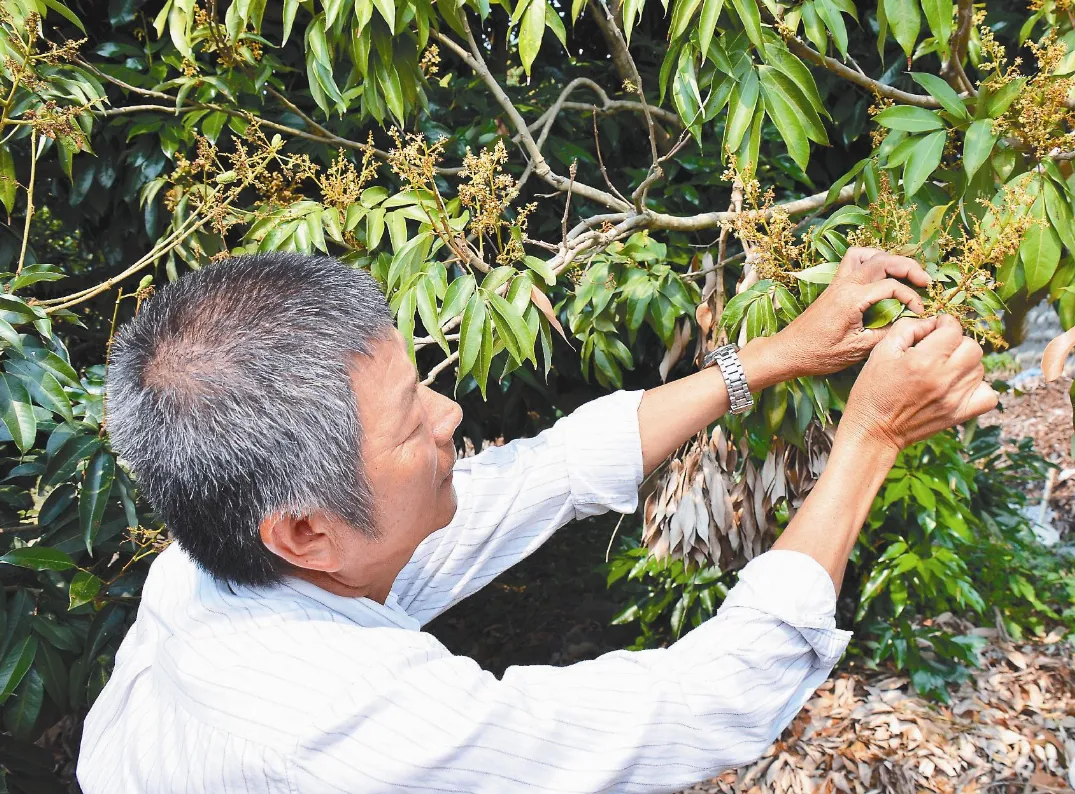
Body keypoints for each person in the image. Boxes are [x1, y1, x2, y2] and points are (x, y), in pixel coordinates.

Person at [77, 247, 996, 793]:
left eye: (419, 386)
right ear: (305, 531)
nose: (450, 417)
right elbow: (707, 703)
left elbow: (546, 472)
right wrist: (873, 435)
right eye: (410, 421)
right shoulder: (345, 728)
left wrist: (781, 352)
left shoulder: (214, 568)